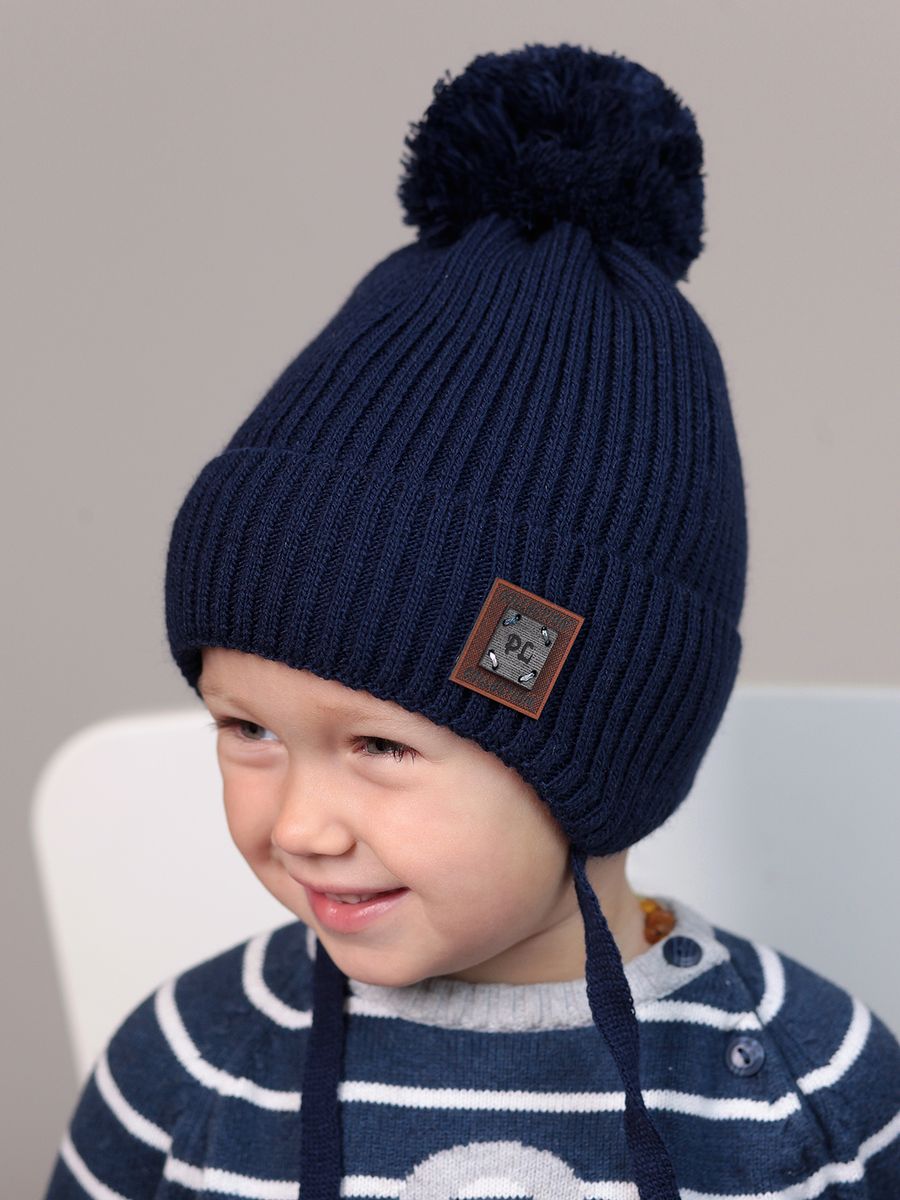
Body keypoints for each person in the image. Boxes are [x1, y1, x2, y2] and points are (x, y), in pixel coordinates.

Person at [43, 42, 900, 1200]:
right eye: (247, 729)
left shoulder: (811, 1085)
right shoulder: (190, 1066)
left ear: (604, 757)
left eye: (380, 745)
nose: (299, 825)